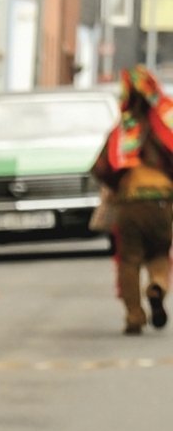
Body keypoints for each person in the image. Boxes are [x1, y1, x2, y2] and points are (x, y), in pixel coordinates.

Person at [91, 65, 173, 335]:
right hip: (163, 203)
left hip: (130, 204)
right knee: (160, 253)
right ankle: (157, 286)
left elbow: (102, 168)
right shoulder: (167, 126)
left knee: (129, 260)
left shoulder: (124, 130)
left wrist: (118, 185)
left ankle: (134, 316)